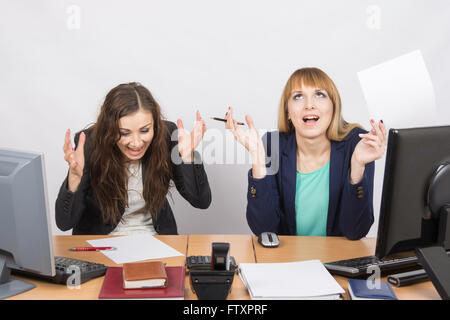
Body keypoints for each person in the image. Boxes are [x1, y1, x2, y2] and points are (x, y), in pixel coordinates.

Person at [226, 67, 386, 240]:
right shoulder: (272, 144)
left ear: (334, 107)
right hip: (290, 261)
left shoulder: (357, 144)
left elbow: (355, 231)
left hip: (340, 262)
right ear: (288, 111)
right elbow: (265, 229)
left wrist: (357, 167)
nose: (309, 105)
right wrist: (258, 158)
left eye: (319, 95)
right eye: (298, 96)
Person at [55, 82, 211, 235]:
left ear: (155, 125)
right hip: (102, 243)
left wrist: (188, 156)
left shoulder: (166, 136)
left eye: (144, 130)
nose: (136, 143)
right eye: (124, 133)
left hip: (155, 240)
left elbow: (201, 201)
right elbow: (64, 223)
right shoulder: (88, 144)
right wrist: (75, 177)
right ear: (108, 129)